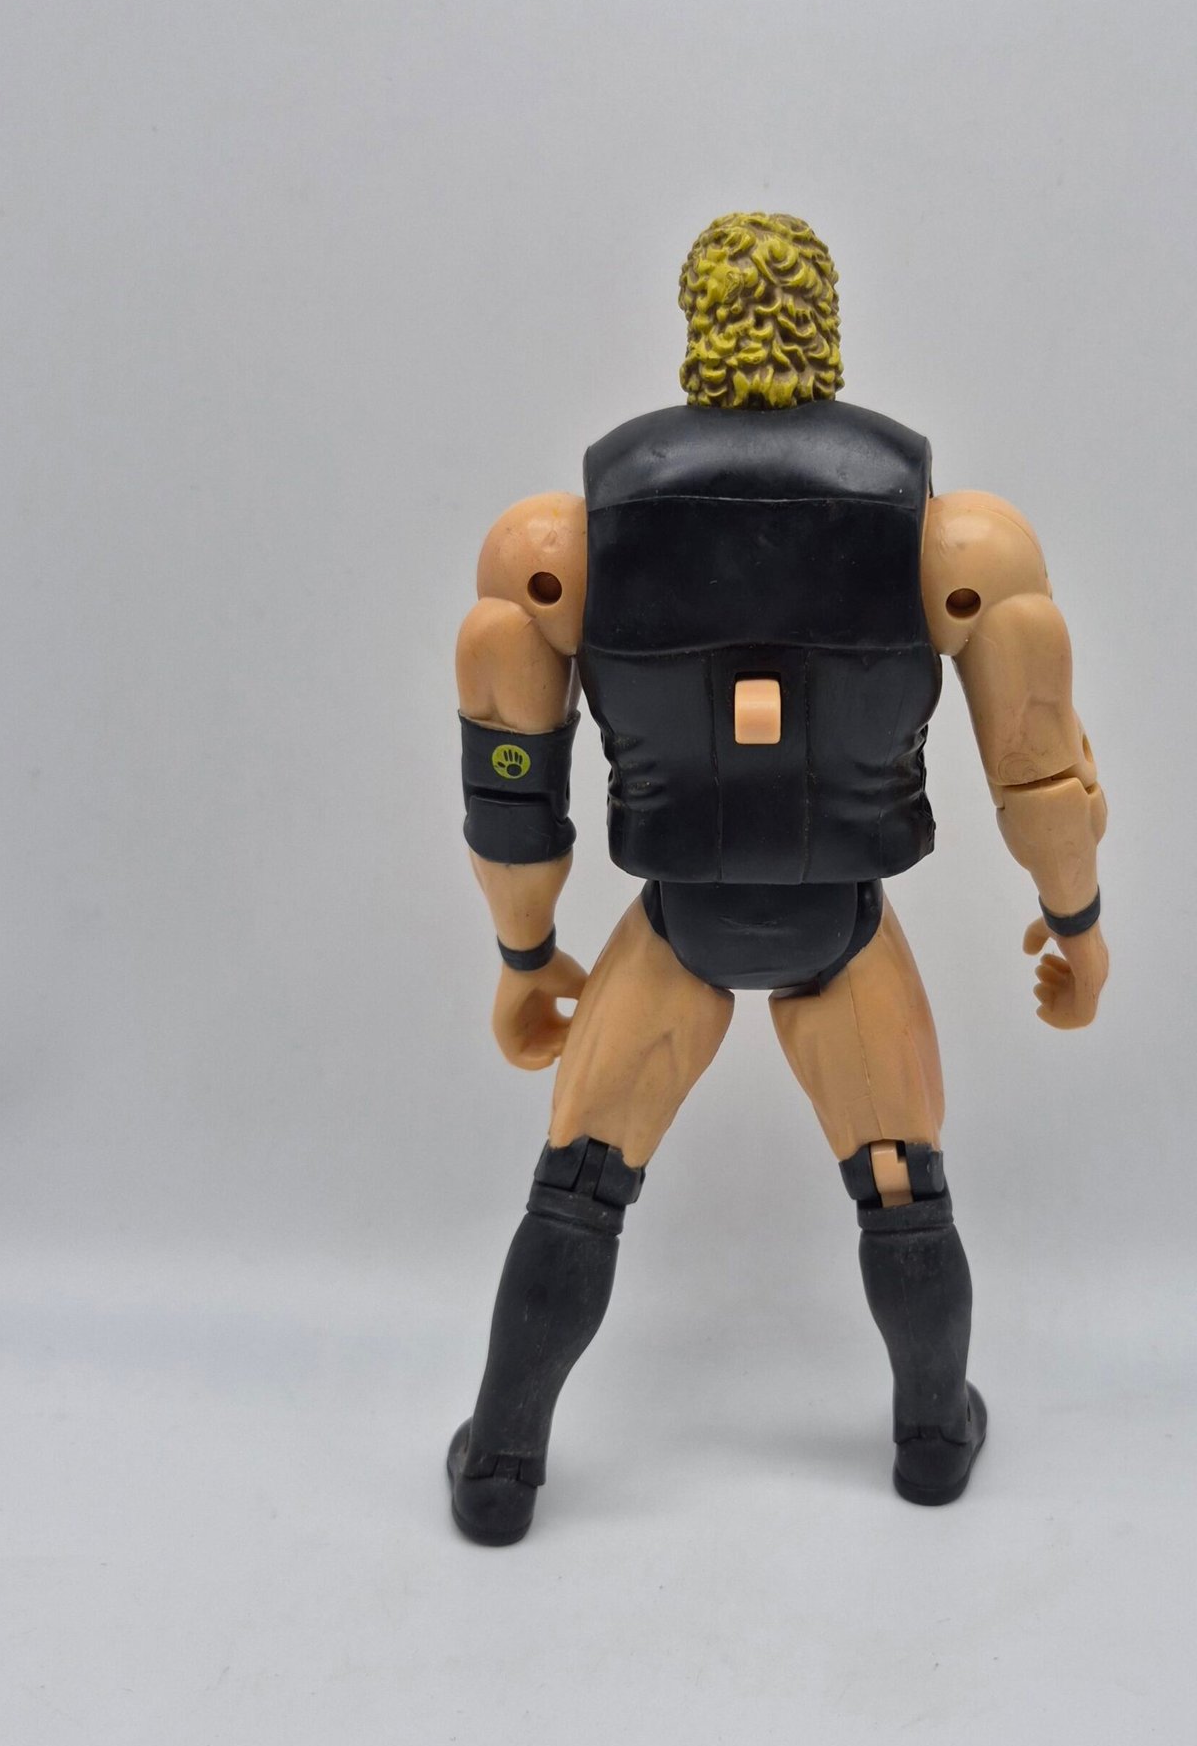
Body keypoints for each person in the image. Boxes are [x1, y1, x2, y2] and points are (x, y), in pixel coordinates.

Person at [446, 212, 1109, 1545]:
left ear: (697, 324)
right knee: (903, 1183)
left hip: (677, 922)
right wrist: (1075, 922)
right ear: (826, 323)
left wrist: (525, 953)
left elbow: (512, 786)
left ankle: (501, 1466)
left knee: (579, 1187)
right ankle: (933, 1435)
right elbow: (1037, 769)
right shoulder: (956, 543)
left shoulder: (561, 546)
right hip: (843, 925)